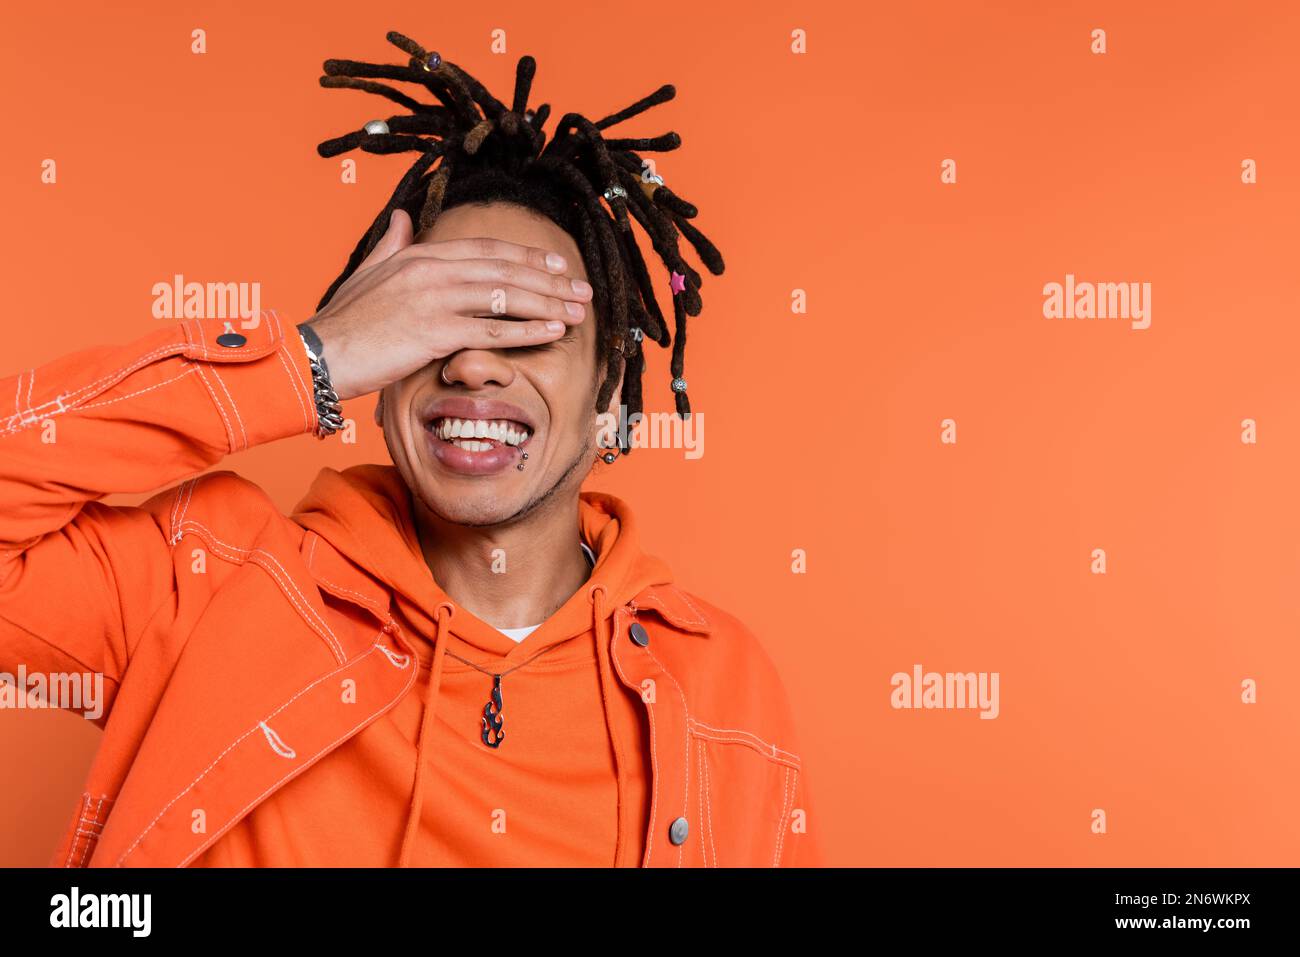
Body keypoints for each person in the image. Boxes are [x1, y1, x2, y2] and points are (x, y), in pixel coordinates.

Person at [0, 32, 820, 868]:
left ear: (610, 395)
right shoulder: (212, 585)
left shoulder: (724, 692)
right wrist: (314, 358)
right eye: (431, 322)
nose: (469, 362)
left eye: (523, 325)